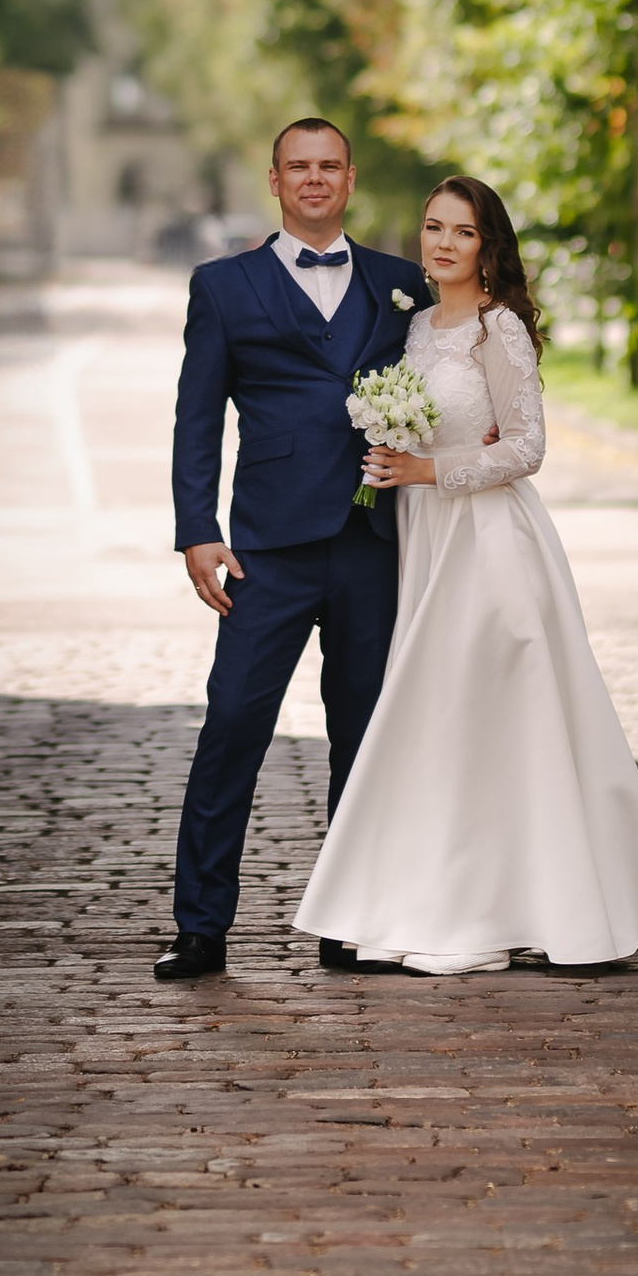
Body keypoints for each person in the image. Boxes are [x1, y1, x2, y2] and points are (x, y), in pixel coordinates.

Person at [293, 175, 638, 976]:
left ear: (489, 246)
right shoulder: (415, 331)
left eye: (462, 232)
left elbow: (526, 450)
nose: (441, 244)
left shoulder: (496, 329)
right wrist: (390, 463)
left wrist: (427, 469)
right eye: (432, 226)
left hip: (489, 544)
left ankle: (542, 907)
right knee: (444, 718)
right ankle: (448, 896)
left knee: (504, 715)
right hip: (428, 544)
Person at [156, 117, 432, 982]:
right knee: (234, 724)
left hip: (369, 542)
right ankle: (201, 928)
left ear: (349, 181)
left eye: (329, 168)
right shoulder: (224, 285)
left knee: (364, 733)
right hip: (266, 549)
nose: (314, 181)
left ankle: (351, 923)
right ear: (275, 182)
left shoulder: (401, 285)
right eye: (297, 168)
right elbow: (198, 414)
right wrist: (197, 529)